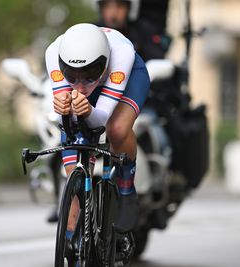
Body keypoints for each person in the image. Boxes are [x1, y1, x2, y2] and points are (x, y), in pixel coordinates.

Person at [45, 23, 150, 232]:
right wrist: (63, 109)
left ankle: (127, 189)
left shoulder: (122, 54)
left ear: (104, 63)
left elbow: (100, 120)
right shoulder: (52, 52)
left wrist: (88, 111)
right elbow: (66, 122)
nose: (81, 87)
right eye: (71, 76)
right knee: (73, 190)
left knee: (117, 129)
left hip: (126, 79)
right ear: (62, 65)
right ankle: (71, 246)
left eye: (90, 74)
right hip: (95, 78)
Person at [95, 0, 171, 61]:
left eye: (119, 6)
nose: (113, 13)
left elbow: (156, 60)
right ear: (100, 8)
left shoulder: (142, 30)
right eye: (107, 7)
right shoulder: (92, 31)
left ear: (129, 8)